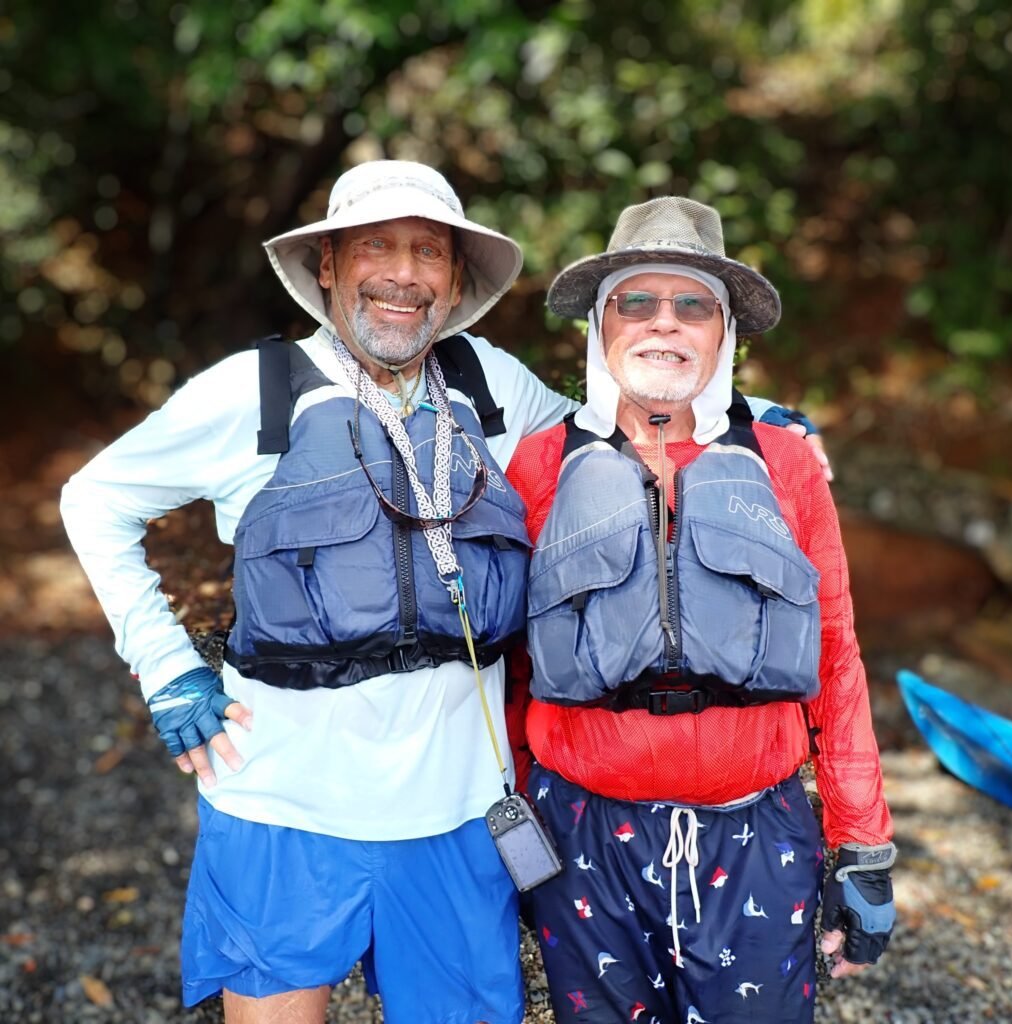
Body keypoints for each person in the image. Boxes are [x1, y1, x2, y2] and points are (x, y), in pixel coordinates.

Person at [61, 159, 827, 1024]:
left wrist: (756, 419)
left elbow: (622, 417)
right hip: (278, 800)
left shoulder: (487, 384)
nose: (403, 274)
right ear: (328, 266)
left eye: (428, 252)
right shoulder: (256, 391)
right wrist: (165, 664)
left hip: (459, 813)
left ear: (456, 279)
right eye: (375, 247)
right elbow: (95, 499)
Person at [505, 196, 896, 1024]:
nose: (664, 325)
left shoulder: (783, 462)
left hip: (756, 833)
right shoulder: (540, 466)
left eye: (692, 306)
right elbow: (507, 670)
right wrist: (496, 827)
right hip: (583, 835)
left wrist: (862, 839)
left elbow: (834, 654)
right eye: (635, 302)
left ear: (724, 336)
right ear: (600, 328)